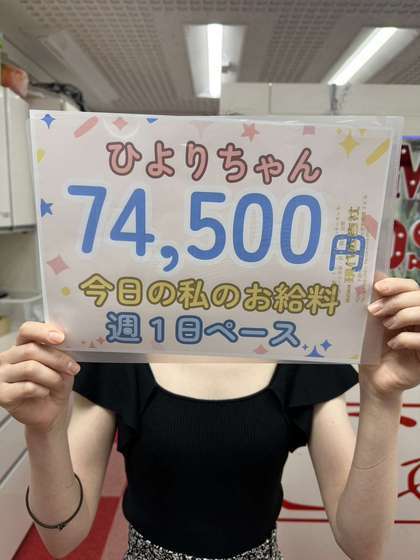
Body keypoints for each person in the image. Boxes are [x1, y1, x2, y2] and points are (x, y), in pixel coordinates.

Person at [0, 276, 419, 560]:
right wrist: (44, 431)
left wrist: (383, 396)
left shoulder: (302, 343)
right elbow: (62, 537)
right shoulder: (119, 339)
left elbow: (362, 544)